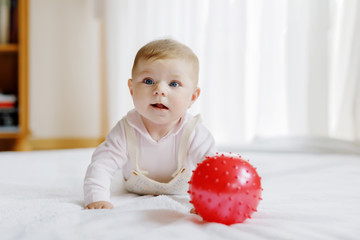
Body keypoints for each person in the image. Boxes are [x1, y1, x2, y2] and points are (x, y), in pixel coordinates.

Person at [84, 39, 216, 209]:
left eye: (174, 84)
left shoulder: (194, 132)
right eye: (148, 81)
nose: (159, 90)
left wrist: (206, 201)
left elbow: (211, 171)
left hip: (182, 190)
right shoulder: (125, 130)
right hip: (135, 189)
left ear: (192, 97)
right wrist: (97, 198)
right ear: (132, 89)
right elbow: (101, 165)